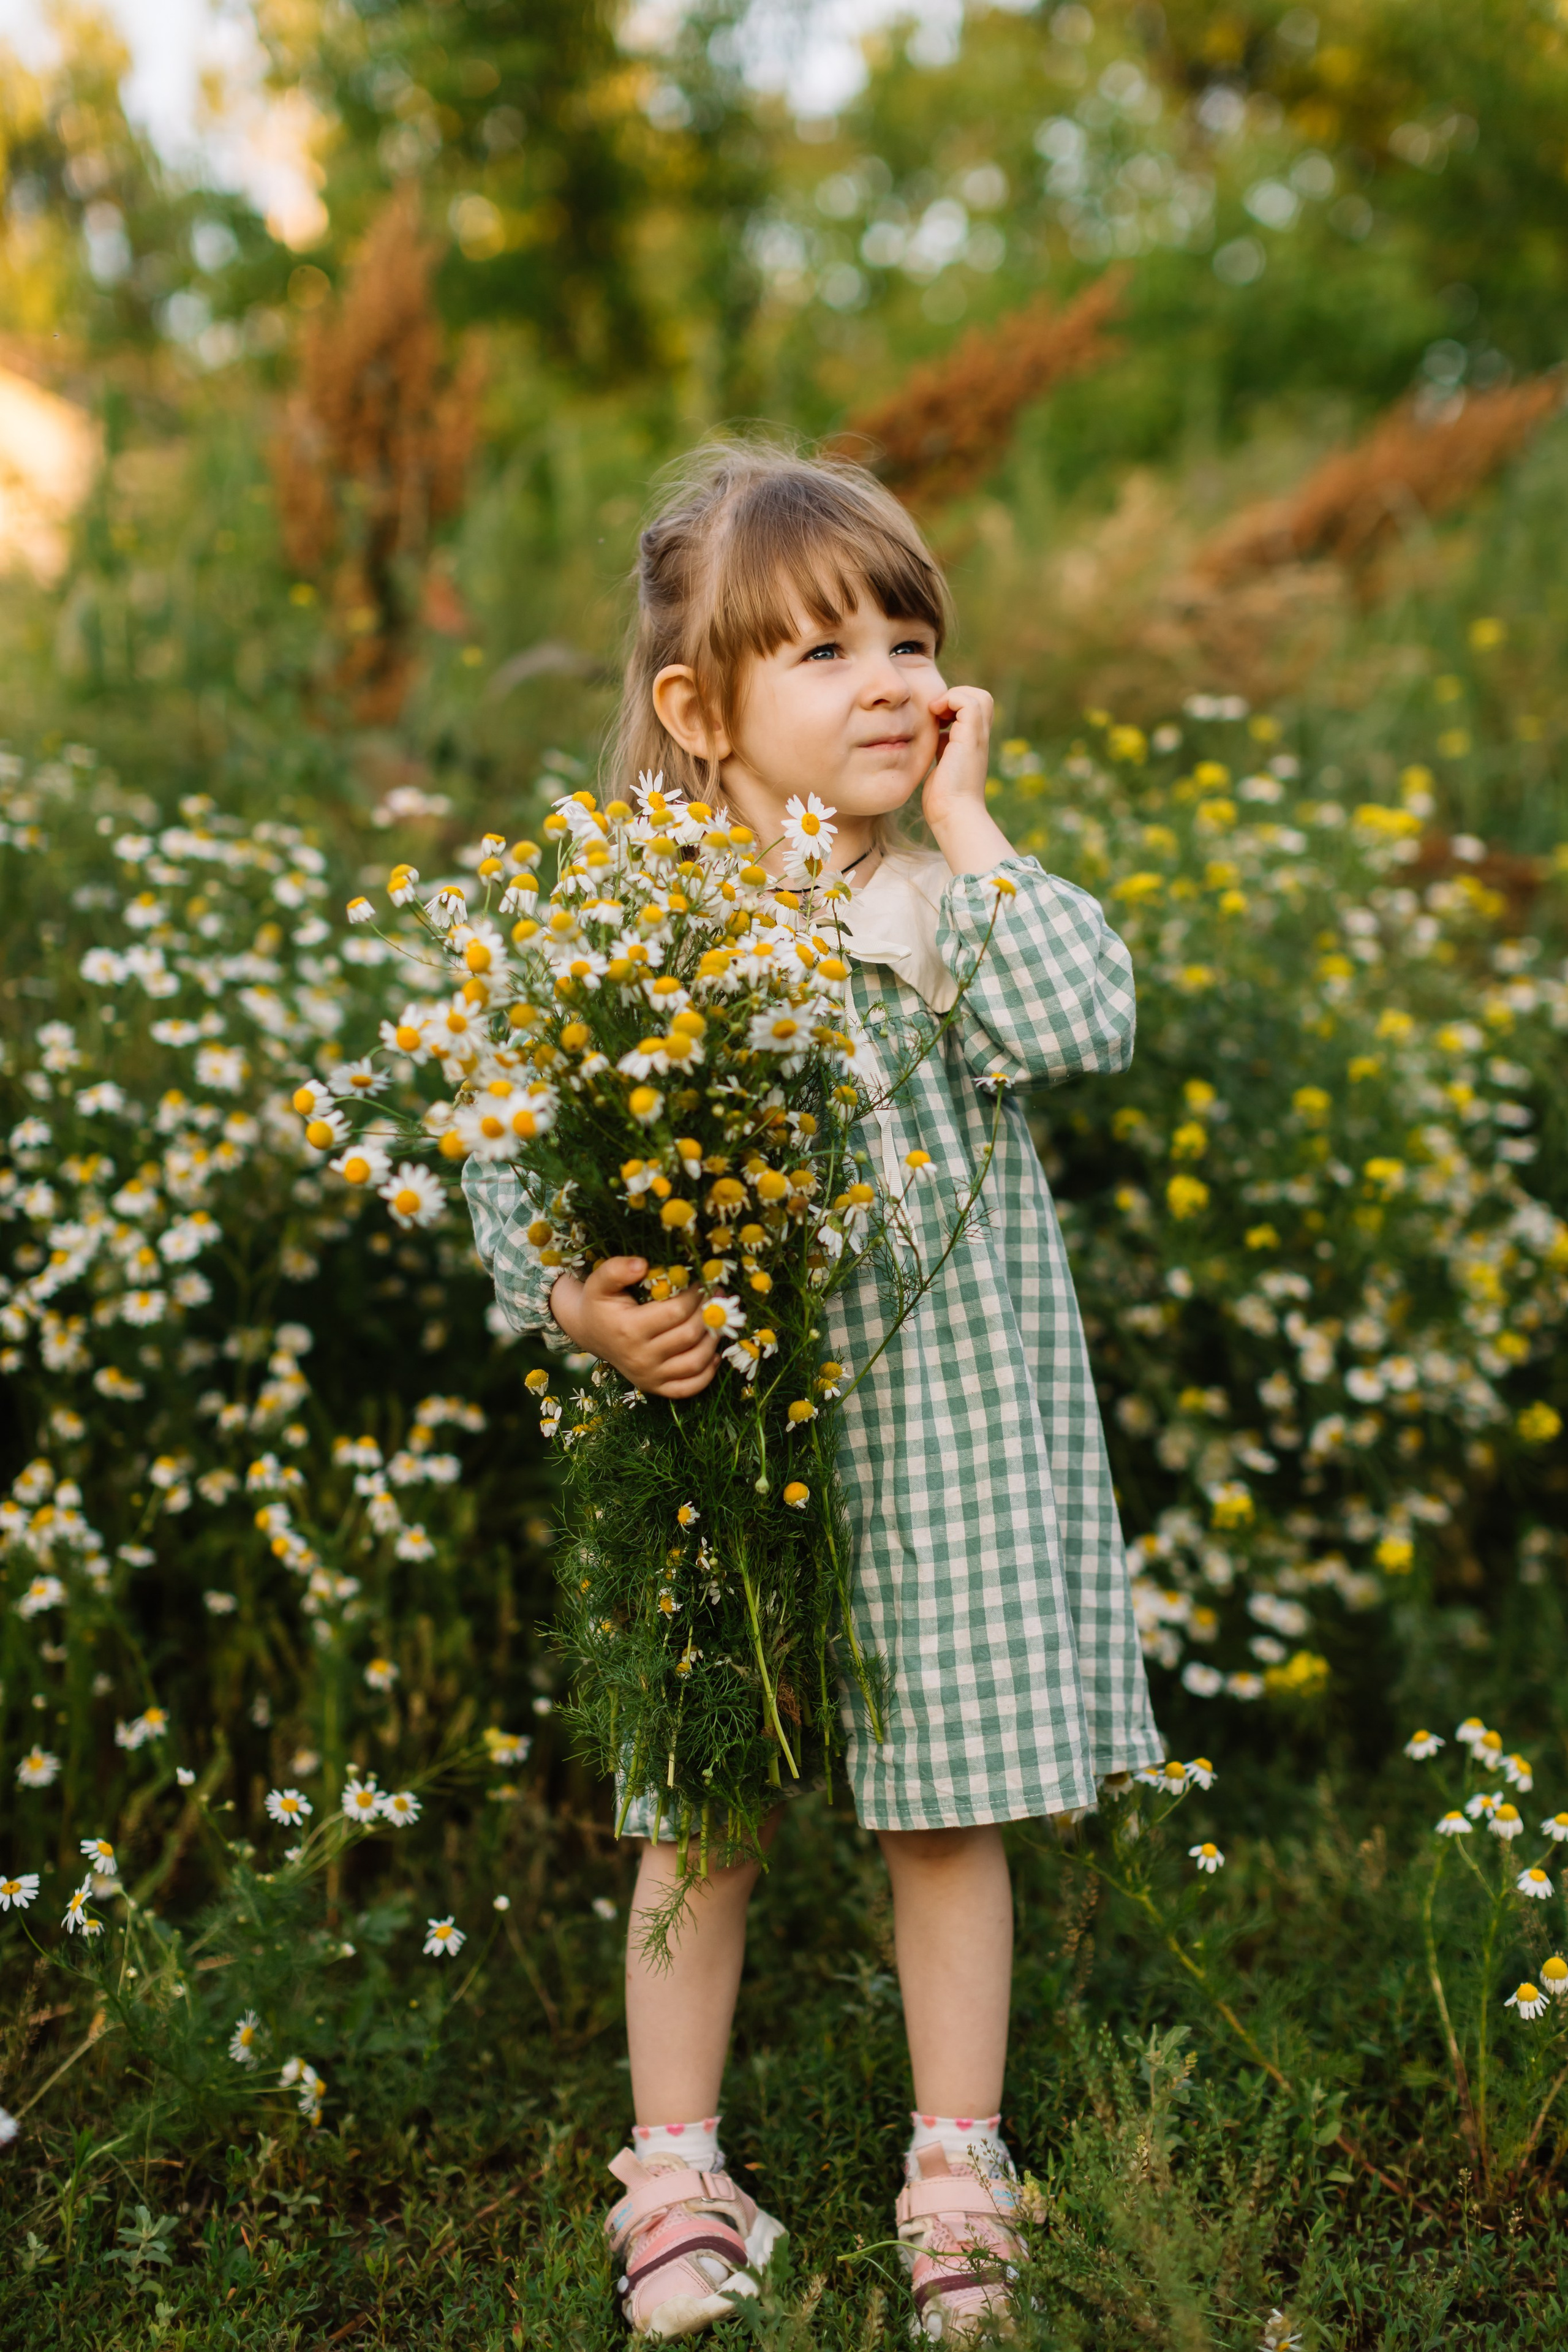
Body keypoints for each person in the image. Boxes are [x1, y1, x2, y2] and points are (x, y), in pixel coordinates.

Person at [464, 442, 1161, 2342]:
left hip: (939, 1446)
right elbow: (509, 1170)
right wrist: (591, 1317)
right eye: (821, 651)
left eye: (910, 638)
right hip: (717, 1455)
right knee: (699, 1810)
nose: (882, 678)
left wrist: (971, 821)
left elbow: (1089, 1020)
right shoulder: (639, 924)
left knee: (947, 1816)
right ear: (700, 710)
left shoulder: (946, 909)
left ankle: (958, 2167)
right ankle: (676, 2175)